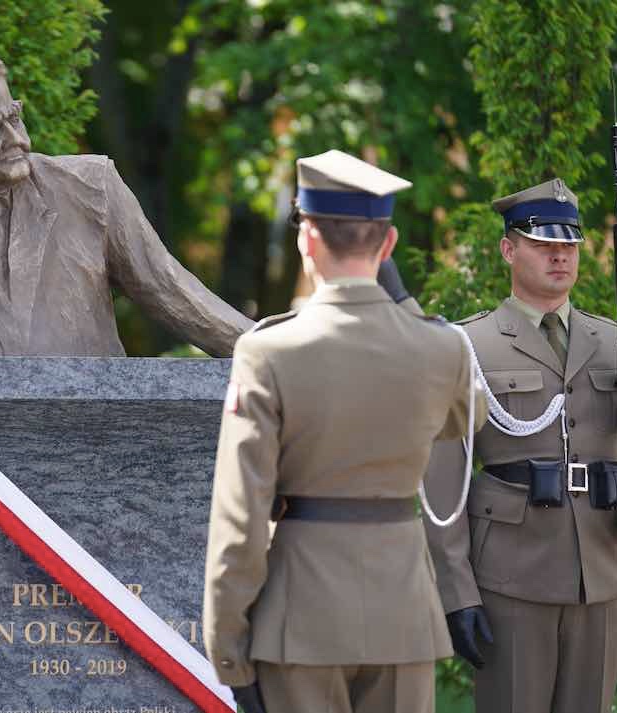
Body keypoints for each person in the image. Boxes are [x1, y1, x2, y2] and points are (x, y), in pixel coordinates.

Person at [203, 150, 486, 713]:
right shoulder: (441, 347)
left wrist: (228, 648)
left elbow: (241, 517)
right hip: (402, 613)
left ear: (307, 240)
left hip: (300, 617)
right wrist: (405, 309)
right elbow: (466, 418)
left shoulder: (268, 350)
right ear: (388, 245)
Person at [422, 178, 617, 713]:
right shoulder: (468, 345)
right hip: (512, 576)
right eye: (542, 243)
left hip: (602, 572)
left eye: (569, 244)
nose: (560, 255)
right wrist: (458, 593)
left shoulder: (614, 341)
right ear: (508, 250)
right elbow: (442, 486)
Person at [0, 58, 252, 357]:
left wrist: (271, 352)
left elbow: (170, 289)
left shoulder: (92, 187)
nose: (16, 140)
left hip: (96, 421)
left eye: (14, 118)